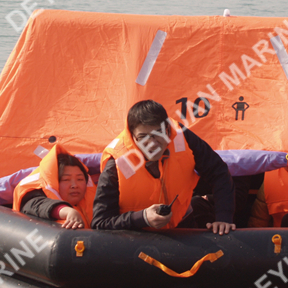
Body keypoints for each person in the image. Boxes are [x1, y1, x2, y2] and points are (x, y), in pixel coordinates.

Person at [92, 100, 236, 234]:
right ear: (132, 136)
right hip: (136, 238)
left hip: (183, 228)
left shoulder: (182, 136)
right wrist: (142, 218)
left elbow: (218, 172)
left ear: (167, 130)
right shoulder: (116, 164)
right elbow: (100, 223)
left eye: (158, 134)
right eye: (143, 137)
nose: (152, 144)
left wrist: (224, 217)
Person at [13, 145, 94, 229]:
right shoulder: (33, 196)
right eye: (66, 179)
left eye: (80, 179)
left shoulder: (96, 199)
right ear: (54, 182)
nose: (74, 185)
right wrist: (67, 211)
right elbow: (36, 205)